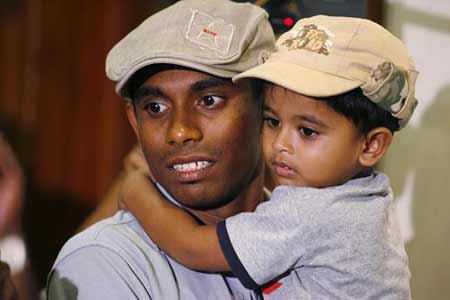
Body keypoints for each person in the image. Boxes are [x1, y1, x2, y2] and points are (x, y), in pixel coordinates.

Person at [122, 16, 417, 299]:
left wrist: (134, 190)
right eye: (272, 121)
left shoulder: (309, 213)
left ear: (371, 146)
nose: (280, 144)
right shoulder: (370, 198)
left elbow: (189, 247)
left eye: (307, 131)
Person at [46, 0, 275, 299]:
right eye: (155, 107)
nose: (179, 131)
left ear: (269, 108)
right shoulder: (108, 261)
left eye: (209, 101)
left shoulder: (315, 237)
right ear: (134, 121)